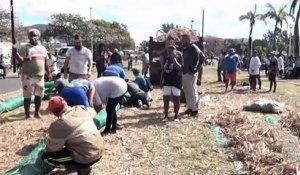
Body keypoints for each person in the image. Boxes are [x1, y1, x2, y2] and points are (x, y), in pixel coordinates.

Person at [42, 96, 104, 175]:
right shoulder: (80, 109)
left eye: (52, 111)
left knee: (46, 158)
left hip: (88, 157)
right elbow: (93, 112)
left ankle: (81, 167)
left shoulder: (59, 124)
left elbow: (51, 149)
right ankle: (82, 165)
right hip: (100, 150)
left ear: (55, 110)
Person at [12, 28, 51, 118]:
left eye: (35, 35)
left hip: (40, 76)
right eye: (31, 35)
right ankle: (27, 115)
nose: (33, 37)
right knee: (27, 96)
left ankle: (37, 113)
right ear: (28, 37)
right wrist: (15, 54)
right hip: (28, 76)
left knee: (39, 95)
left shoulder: (43, 48)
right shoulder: (24, 47)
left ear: (38, 36)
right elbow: (21, 61)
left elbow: (45, 62)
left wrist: (48, 72)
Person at [181, 33, 204, 117]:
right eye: (182, 39)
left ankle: (195, 109)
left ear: (189, 39)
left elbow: (202, 58)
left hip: (191, 72)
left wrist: (195, 69)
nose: (183, 41)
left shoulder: (193, 47)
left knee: (192, 90)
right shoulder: (185, 48)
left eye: (185, 39)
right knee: (186, 90)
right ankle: (190, 107)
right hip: (185, 71)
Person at [160, 45, 183, 121]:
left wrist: (175, 60)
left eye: (172, 51)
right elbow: (163, 70)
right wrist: (161, 80)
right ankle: (166, 115)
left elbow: (180, 68)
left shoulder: (180, 58)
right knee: (166, 99)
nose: (170, 53)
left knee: (176, 99)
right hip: (167, 81)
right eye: (169, 51)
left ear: (175, 51)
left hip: (176, 82)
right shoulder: (166, 59)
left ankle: (176, 116)